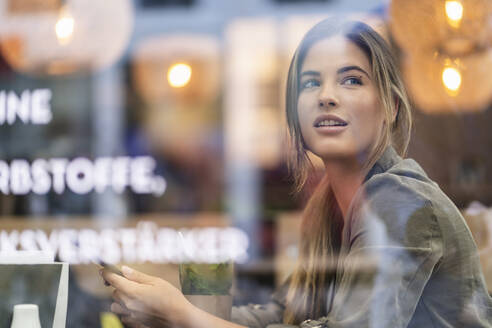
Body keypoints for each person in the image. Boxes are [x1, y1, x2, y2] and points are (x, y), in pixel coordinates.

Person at [101, 18, 492, 327]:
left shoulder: (400, 200)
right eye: (310, 83)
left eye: (351, 79)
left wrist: (181, 315)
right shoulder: (329, 212)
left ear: (390, 106)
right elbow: (283, 314)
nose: (326, 95)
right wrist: (169, 309)